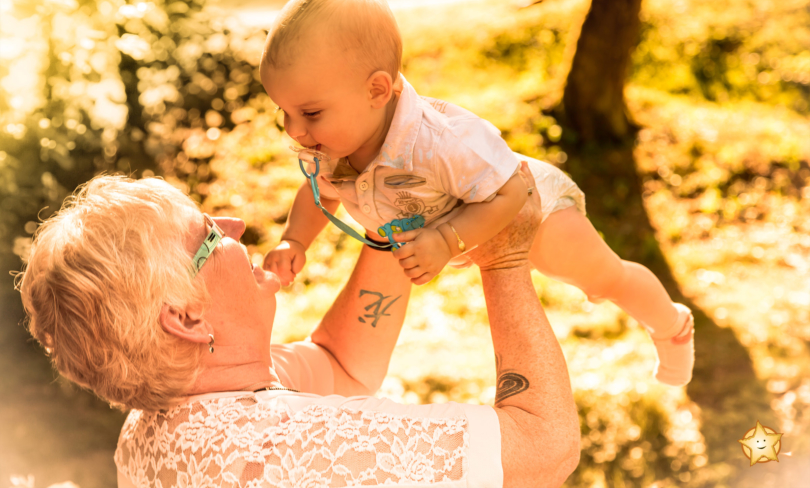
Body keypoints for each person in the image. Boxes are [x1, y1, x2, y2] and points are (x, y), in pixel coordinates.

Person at [17, 170, 580, 487]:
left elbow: (340, 363)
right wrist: (505, 260)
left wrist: (391, 217)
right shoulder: (289, 450)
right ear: (186, 317)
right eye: (210, 235)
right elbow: (545, 448)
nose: (236, 224)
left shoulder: (162, 415)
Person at [260, 0, 694, 387]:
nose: (294, 130)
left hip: (528, 209)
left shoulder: (440, 142)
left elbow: (511, 192)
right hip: (467, 225)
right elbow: (320, 193)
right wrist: (294, 240)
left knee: (603, 279)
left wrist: (447, 240)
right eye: (284, 112)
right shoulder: (332, 148)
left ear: (376, 91)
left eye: (310, 113)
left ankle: (671, 325)